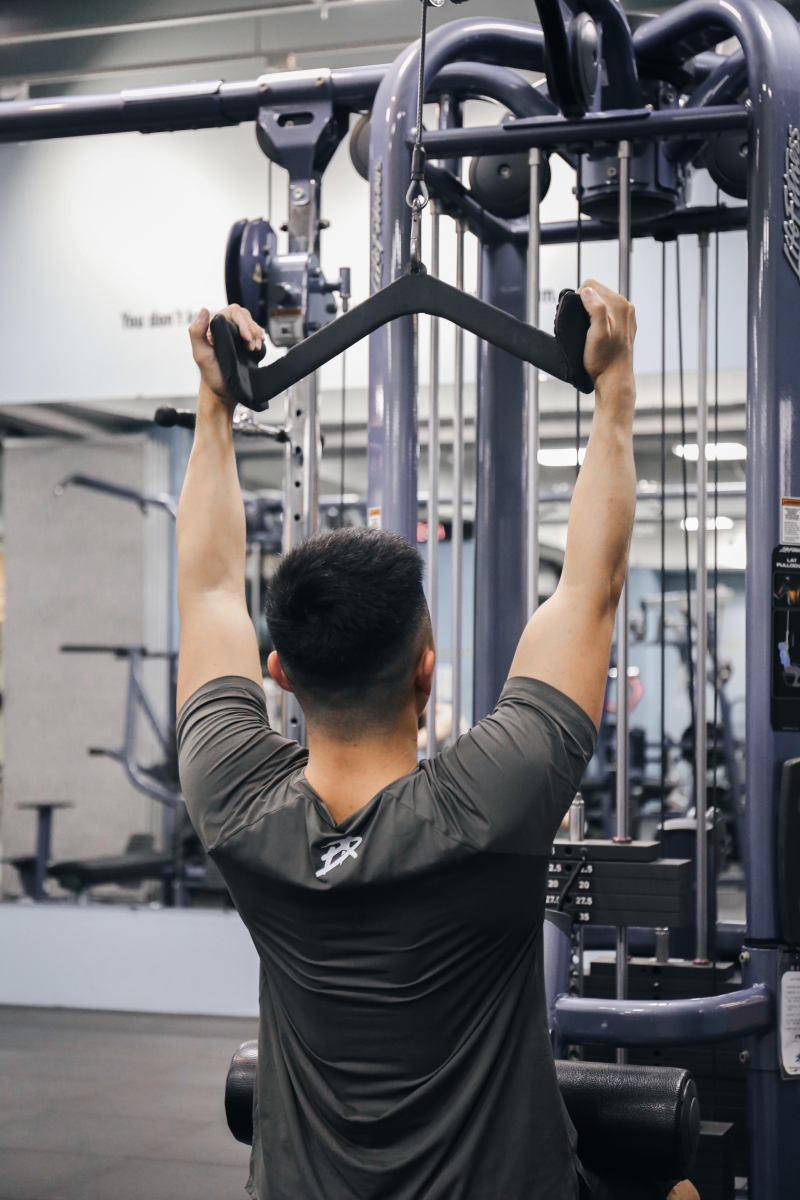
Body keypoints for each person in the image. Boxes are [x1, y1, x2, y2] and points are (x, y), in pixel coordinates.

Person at [176, 284, 698, 1200]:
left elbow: (210, 590)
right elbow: (592, 586)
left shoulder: (232, 796)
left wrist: (215, 403)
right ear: (427, 670)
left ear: (279, 673)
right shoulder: (487, 806)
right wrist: (613, 388)